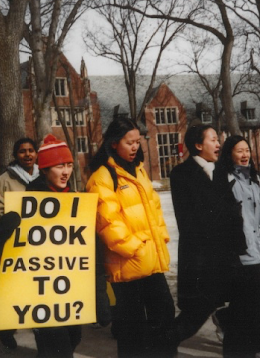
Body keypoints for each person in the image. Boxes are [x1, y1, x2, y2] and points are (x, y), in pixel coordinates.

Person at [0, 134, 110, 358]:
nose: (66, 172)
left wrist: (100, 295)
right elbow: (6, 256)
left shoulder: (76, 201)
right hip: (41, 295)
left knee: (73, 339)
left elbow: (89, 251)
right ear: (44, 170)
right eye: (58, 166)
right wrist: (0, 236)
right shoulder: (28, 203)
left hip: (71, 293)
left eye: (69, 165)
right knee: (57, 349)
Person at [86, 117, 175, 358]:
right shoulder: (102, 177)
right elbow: (107, 222)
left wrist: (161, 239)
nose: (135, 147)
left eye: (138, 142)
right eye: (129, 142)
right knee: (131, 329)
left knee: (164, 316)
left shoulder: (138, 170)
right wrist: (136, 248)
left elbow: (154, 209)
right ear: (114, 143)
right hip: (127, 264)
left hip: (150, 261)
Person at [168, 125, 248, 355]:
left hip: (226, 258)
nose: (218, 144)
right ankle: (161, 343)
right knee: (194, 314)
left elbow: (234, 212)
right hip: (200, 260)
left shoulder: (222, 172)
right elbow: (189, 221)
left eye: (218, 140)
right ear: (198, 145)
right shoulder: (181, 174)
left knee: (237, 305)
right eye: (213, 140)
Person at [210, 135, 260, 358]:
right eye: (239, 151)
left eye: (247, 150)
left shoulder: (253, 178)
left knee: (253, 298)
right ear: (229, 154)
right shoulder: (223, 178)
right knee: (246, 301)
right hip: (235, 251)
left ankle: (231, 324)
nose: (245, 155)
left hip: (254, 250)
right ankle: (256, 346)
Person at [0, 137, 39, 349]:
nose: (27, 155)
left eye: (31, 150)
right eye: (22, 151)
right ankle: (4, 328)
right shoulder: (5, 181)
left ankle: (41, 332)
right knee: (13, 294)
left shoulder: (44, 177)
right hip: (15, 247)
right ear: (16, 155)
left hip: (41, 247)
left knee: (39, 290)